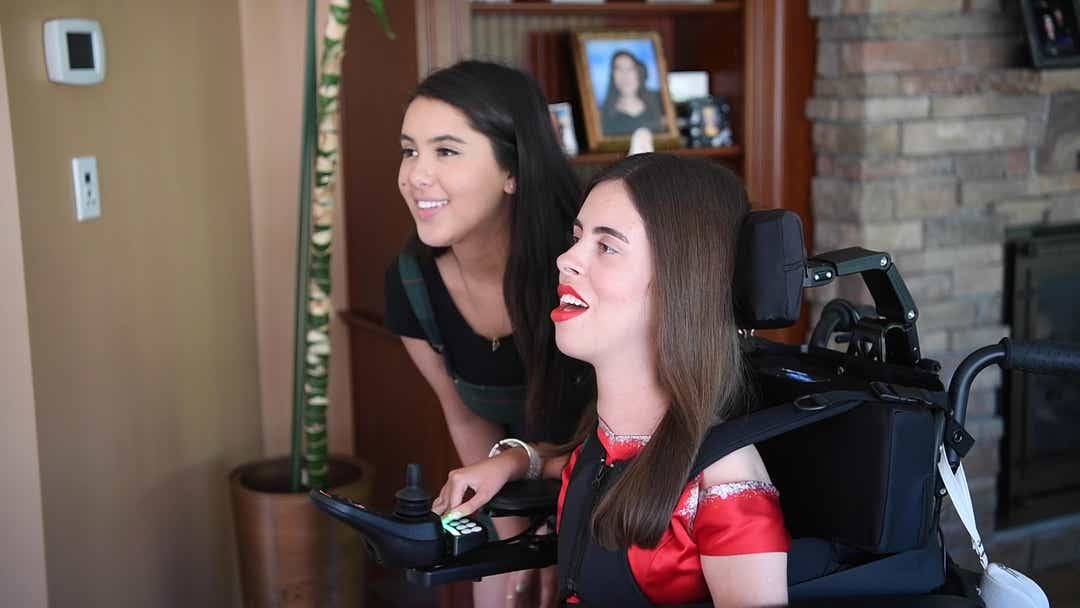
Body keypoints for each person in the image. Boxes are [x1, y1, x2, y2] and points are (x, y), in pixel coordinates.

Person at [433, 154, 790, 606]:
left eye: (606, 246)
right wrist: (513, 461)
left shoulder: (724, 479)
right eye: (576, 238)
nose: (566, 259)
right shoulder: (605, 441)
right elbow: (586, 465)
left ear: (680, 281)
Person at [384, 60, 594, 607]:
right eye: (409, 150)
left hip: (618, 499)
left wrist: (557, 529)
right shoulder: (412, 283)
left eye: (446, 151)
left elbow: (636, 429)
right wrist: (515, 540)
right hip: (513, 494)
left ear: (512, 171)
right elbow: (466, 416)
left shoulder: (583, 265)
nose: (415, 175)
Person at [599, 50, 666, 136]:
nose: (625, 75)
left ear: (639, 72)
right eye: (619, 69)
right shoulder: (603, 114)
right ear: (612, 75)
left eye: (630, 69)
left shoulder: (659, 100)